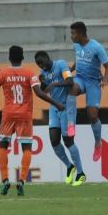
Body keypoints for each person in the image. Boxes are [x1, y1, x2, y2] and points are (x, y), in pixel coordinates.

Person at [0, 45, 63, 196]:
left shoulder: (2, 73)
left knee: (3, 146)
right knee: (27, 149)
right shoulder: (30, 73)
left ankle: (4, 180)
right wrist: (56, 103)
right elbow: (39, 93)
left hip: (8, 114)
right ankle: (21, 181)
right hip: (25, 115)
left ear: (9, 57)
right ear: (22, 58)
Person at [35, 50, 85, 187]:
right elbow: (45, 91)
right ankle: (69, 167)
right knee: (54, 140)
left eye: (42, 62)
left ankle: (81, 173)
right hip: (54, 107)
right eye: (38, 64)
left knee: (68, 141)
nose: (41, 66)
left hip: (67, 107)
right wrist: (43, 83)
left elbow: (70, 81)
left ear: (47, 58)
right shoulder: (44, 74)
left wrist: (54, 84)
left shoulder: (61, 64)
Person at [65, 21, 108, 162]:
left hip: (93, 82)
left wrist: (105, 79)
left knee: (92, 115)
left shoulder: (97, 47)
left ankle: (98, 143)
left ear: (80, 33)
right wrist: (69, 71)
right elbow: (78, 60)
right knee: (71, 88)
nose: (71, 36)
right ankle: (71, 125)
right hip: (80, 78)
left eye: (73, 33)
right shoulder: (76, 46)